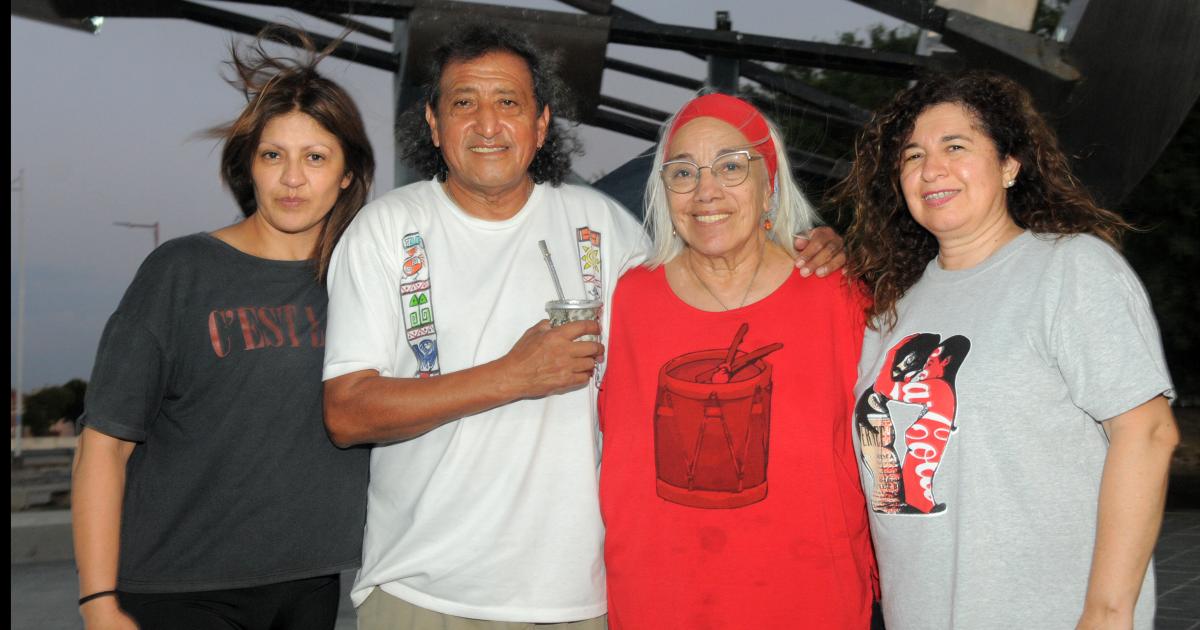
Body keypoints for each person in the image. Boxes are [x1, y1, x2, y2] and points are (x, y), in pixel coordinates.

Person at [321, 24, 847, 629]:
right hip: (423, 592)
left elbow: (714, 286)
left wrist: (806, 246)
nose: (487, 125)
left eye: (509, 103)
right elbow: (346, 414)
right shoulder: (384, 230)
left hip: (578, 599)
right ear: (435, 125)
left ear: (541, 124)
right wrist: (508, 376)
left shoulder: (603, 226)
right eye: (464, 103)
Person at [840, 71, 1179, 630]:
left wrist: (1107, 612)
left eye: (957, 146)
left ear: (1009, 165)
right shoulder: (891, 310)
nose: (932, 169)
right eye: (912, 155)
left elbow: (1147, 432)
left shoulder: (1068, 269)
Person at [71, 29, 374, 630]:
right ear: (249, 167)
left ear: (346, 174)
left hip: (310, 585)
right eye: (273, 155)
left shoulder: (362, 281)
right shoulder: (181, 272)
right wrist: (97, 602)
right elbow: (103, 444)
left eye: (315, 157)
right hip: (181, 590)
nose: (293, 178)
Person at [597, 93, 876, 629]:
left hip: (809, 603)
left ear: (769, 183)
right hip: (661, 605)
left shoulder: (838, 296)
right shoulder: (628, 300)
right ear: (664, 192)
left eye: (731, 166)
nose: (706, 191)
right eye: (683, 172)